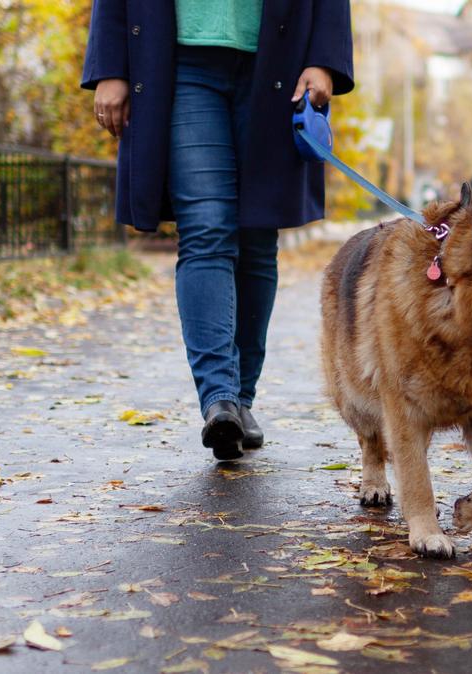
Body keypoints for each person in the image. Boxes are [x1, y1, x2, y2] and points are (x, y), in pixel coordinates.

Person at [81, 1, 355, 461]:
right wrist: (110, 65)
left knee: (256, 235)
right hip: (178, 60)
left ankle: (241, 399)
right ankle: (219, 399)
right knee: (207, 229)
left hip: (278, 57)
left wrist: (325, 59)